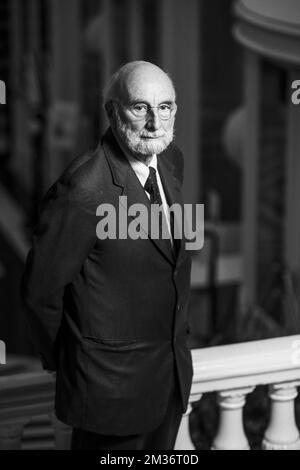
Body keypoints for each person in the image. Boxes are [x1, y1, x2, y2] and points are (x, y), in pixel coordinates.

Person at [21, 61, 193, 450]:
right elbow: (40, 293)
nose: (154, 122)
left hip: (169, 384)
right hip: (109, 397)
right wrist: (76, 365)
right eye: (139, 107)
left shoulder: (170, 160)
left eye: (165, 107)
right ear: (112, 111)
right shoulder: (83, 189)